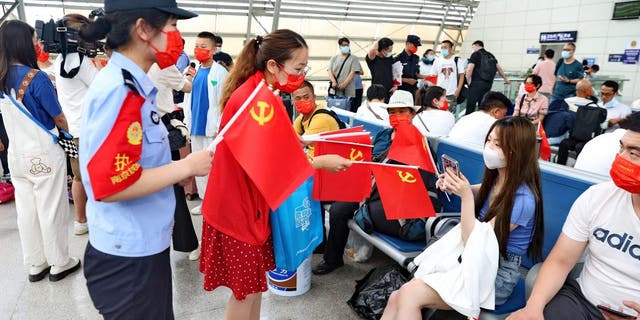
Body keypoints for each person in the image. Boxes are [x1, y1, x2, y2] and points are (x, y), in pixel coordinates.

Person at [198, 29, 351, 320]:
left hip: (241, 206)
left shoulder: (257, 90)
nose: (301, 74)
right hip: (238, 213)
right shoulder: (259, 100)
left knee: (252, 289)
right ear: (273, 65)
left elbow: (269, 144)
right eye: (298, 68)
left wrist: (301, 143)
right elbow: (270, 165)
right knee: (244, 294)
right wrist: (321, 162)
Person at [77, 2, 213, 318]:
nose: (177, 37)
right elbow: (109, 185)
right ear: (143, 29)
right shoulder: (122, 91)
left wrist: (169, 172)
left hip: (140, 247)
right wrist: (187, 166)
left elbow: (133, 164)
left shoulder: (133, 83)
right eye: (171, 27)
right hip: (129, 262)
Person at [382, 116, 544, 318]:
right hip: (472, 261)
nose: (489, 148)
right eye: (489, 140)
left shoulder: (523, 200)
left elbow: (474, 242)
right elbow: (478, 191)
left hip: (496, 275)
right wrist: (456, 184)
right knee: (397, 296)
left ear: (516, 151)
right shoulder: (500, 179)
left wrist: (466, 196)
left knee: (409, 294)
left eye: (498, 144)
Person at [507, 114, 640, 320]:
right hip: (582, 303)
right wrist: (533, 307)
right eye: (621, 148)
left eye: (634, 153)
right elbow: (561, 260)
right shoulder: (598, 197)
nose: (621, 158)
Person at [314, 90, 441, 275]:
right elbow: (368, 158)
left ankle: (331, 258)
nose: (396, 116)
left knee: (339, 210)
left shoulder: (419, 144)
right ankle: (327, 250)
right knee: (323, 193)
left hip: (391, 195)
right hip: (367, 183)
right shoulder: (384, 134)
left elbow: (417, 181)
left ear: (413, 113)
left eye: (401, 111)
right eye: (392, 112)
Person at [0, 19, 79, 283]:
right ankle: (60, 262)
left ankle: (36, 263)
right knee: (51, 207)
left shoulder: (0, 78)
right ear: (24, 44)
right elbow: (58, 117)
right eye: (35, 40)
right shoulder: (37, 78)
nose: (39, 45)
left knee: (27, 211)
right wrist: (67, 131)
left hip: (16, 156)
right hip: (43, 153)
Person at [147, 57, 202, 260]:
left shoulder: (126, 65)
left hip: (139, 131)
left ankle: (156, 242)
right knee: (174, 187)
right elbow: (186, 87)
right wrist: (188, 76)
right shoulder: (162, 64)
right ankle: (187, 242)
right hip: (161, 128)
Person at [52, 13, 99, 236]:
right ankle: (94, 219)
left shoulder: (60, 61)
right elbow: (102, 89)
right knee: (93, 176)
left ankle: (80, 220)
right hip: (88, 131)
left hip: (70, 131)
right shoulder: (82, 63)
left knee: (78, 177)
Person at [186, 31, 228, 215]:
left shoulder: (220, 72)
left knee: (214, 169)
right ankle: (205, 202)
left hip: (211, 129)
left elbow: (224, 102)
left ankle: (216, 203)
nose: (199, 50)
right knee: (200, 169)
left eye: (203, 47)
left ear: (213, 50)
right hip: (195, 126)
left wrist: (220, 127)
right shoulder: (193, 71)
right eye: (196, 46)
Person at [293, 80, 341, 156]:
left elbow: (312, 162)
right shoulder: (301, 118)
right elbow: (291, 143)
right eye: (298, 98)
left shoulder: (321, 119)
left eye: (306, 97)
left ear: (314, 97)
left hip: (330, 164)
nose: (302, 101)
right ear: (293, 101)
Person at [465, 40, 510, 115]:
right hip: (488, 84)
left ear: (477, 45)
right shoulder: (490, 55)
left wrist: (466, 82)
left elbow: (469, 69)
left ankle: (468, 123)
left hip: (476, 83)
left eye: (473, 47)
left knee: (470, 106)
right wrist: (506, 79)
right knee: (483, 106)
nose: (472, 49)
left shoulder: (475, 54)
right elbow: (499, 68)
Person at [429, 40, 465, 112]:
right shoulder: (437, 61)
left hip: (452, 93)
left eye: (445, 47)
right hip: (439, 93)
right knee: (438, 114)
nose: (443, 49)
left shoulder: (456, 60)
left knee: (450, 115)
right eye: (441, 48)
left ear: (451, 49)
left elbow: (462, 75)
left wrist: (457, 90)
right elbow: (433, 76)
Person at [328, 37, 362, 112]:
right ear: (340, 46)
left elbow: (352, 72)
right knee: (336, 110)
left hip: (350, 89)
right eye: (344, 45)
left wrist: (344, 84)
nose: (346, 47)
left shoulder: (354, 58)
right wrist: (333, 81)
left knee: (350, 110)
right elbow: (329, 70)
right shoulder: (334, 58)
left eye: (347, 45)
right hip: (336, 89)